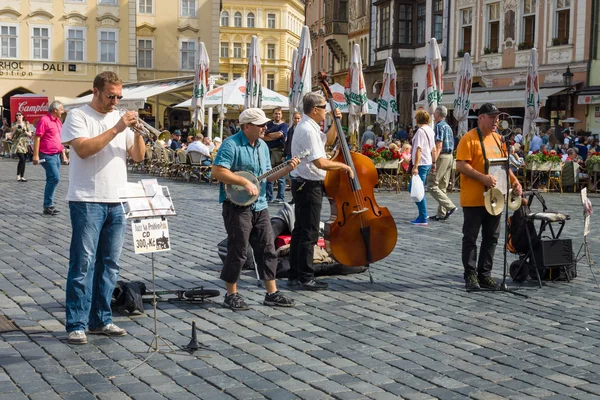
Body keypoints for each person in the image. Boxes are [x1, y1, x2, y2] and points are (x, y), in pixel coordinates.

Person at [61, 71, 145, 344]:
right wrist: (118, 128)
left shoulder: (118, 119)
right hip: (86, 199)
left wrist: (137, 132)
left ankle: (102, 319)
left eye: (119, 96)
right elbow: (84, 150)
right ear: (95, 91)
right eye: (111, 95)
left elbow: (137, 157)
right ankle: (76, 322)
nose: (115, 101)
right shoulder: (78, 116)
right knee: (83, 264)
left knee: (110, 265)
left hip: (117, 200)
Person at [211, 108, 299, 310]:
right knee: (238, 250)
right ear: (247, 126)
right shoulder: (231, 144)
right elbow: (217, 171)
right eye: (260, 125)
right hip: (237, 206)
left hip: (260, 205)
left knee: (268, 249)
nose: (265, 128)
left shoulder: (262, 146)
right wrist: (243, 181)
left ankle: (272, 292)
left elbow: (267, 177)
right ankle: (231, 294)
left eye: (264, 124)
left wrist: (287, 169)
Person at [288, 92, 353, 291]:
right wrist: (344, 167)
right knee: (309, 233)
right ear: (315, 109)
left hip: (304, 184)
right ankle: (305, 277)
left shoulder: (310, 127)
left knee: (300, 232)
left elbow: (328, 141)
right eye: (324, 108)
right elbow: (319, 161)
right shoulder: (307, 129)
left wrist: (335, 121)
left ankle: (295, 274)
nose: (326, 110)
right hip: (308, 185)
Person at [455, 103, 522, 291]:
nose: (496, 121)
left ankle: (485, 275)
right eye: (492, 117)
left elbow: (504, 166)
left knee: (491, 237)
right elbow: (461, 165)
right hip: (474, 198)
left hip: (495, 198)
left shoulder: (499, 139)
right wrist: (482, 177)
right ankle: (470, 275)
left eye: (497, 117)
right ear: (481, 118)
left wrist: (515, 181)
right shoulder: (468, 139)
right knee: (471, 237)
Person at [33, 101, 69, 215]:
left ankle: (48, 206)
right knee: (55, 177)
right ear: (55, 110)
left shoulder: (58, 121)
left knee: (51, 178)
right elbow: (37, 137)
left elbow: (59, 138)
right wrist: (35, 155)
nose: (63, 111)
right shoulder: (44, 120)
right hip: (46, 154)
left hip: (56, 154)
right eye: (61, 109)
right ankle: (48, 204)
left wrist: (63, 154)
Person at [429, 106, 457, 222]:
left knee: (432, 185)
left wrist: (434, 161)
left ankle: (450, 206)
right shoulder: (448, 127)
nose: (433, 115)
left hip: (442, 157)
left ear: (438, 114)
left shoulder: (439, 126)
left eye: (435, 113)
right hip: (450, 157)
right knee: (442, 186)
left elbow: (439, 145)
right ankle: (441, 213)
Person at [409, 110, 436, 226]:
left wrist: (415, 166)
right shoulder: (430, 130)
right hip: (428, 161)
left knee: (416, 189)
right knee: (417, 188)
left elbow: (419, 149)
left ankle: (423, 215)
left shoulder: (420, 131)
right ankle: (422, 214)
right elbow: (434, 149)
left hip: (421, 163)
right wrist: (434, 162)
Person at [263, 107, 288, 203]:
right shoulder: (268, 124)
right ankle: (269, 196)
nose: (277, 115)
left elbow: (279, 135)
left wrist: (270, 135)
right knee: (268, 173)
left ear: (281, 115)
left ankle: (280, 197)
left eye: (279, 114)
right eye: (276, 113)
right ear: (273, 114)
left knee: (280, 174)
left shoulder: (284, 125)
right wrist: (273, 136)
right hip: (268, 151)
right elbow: (263, 137)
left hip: (279, 152)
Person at [11, 112, 32, 182]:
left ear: (23, 116)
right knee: (22, 159)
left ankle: (22, 176)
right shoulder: (14, 124)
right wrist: (15, 129)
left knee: (24, 160)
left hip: (25, 143)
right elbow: (12, 135)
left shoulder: (26, 123)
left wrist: (24, 130)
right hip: (18, 143)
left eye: (20, 115)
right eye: (16, 115)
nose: (18, 116)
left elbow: (30, 134)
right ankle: (18, 175)